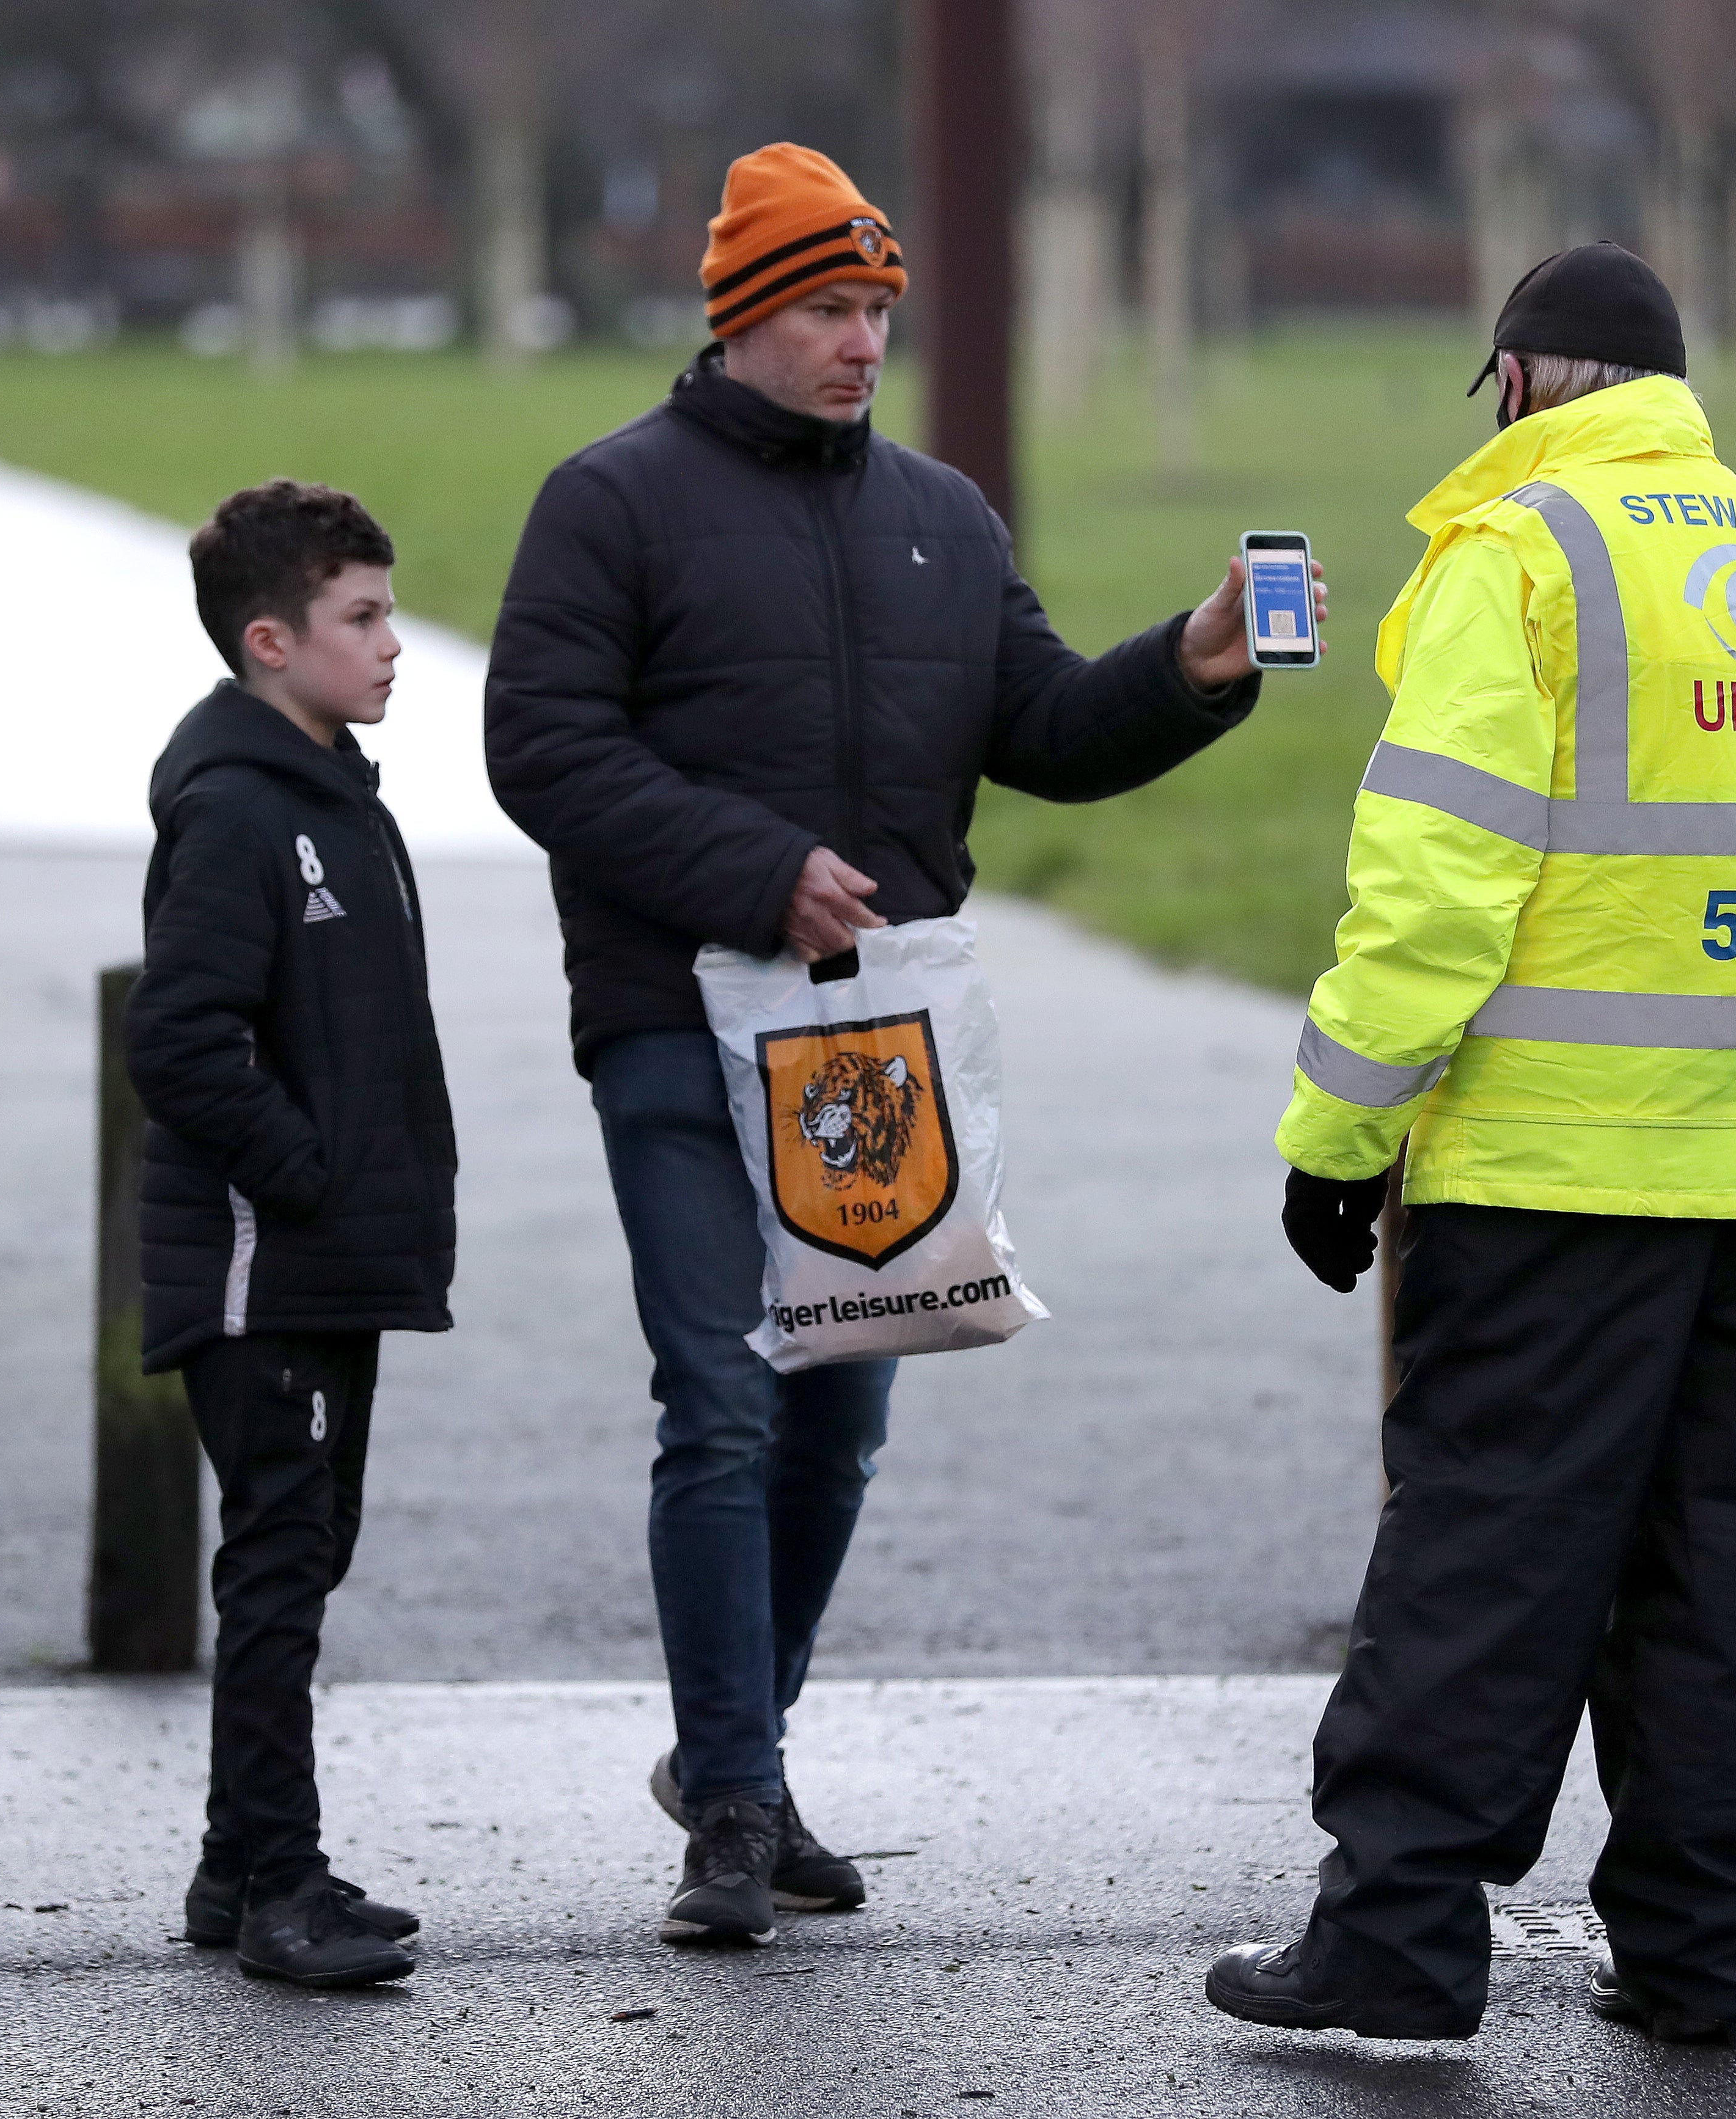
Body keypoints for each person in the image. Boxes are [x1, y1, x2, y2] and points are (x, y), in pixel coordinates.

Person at [485, 142, 1306, 1947]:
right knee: (719, 1396)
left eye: (878, 309)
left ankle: (742, 1755)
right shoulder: (608, 502)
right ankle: (727, 1803)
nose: (864, 341)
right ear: (743, 317)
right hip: (674, 1023)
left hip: (870, 1045)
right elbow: (539, 747)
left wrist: (1194, 662)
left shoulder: (941, 514)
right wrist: (756, 868)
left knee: (838, 1418)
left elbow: (1046, 727)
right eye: (828, 310)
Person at [1203, 244, 1736, 2044]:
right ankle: (1701, 1956)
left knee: (1489, 1545)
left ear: (1527, 382)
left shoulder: (1522, 561)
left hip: (1545, 1177)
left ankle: (1395, 1937)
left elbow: (1438, 883)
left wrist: (1338, 1132)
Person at [128, 480, 459, 1989]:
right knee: (275, 1565)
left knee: (304, 1553)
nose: (394, 644)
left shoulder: (340, 796)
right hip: (268, 1265)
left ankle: (232, 1867)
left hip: (333, 1258)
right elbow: (184, 1039)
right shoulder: (242, 810)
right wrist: (311, 1175)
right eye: (363, 618)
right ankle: (282, 1891)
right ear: (271, 642)